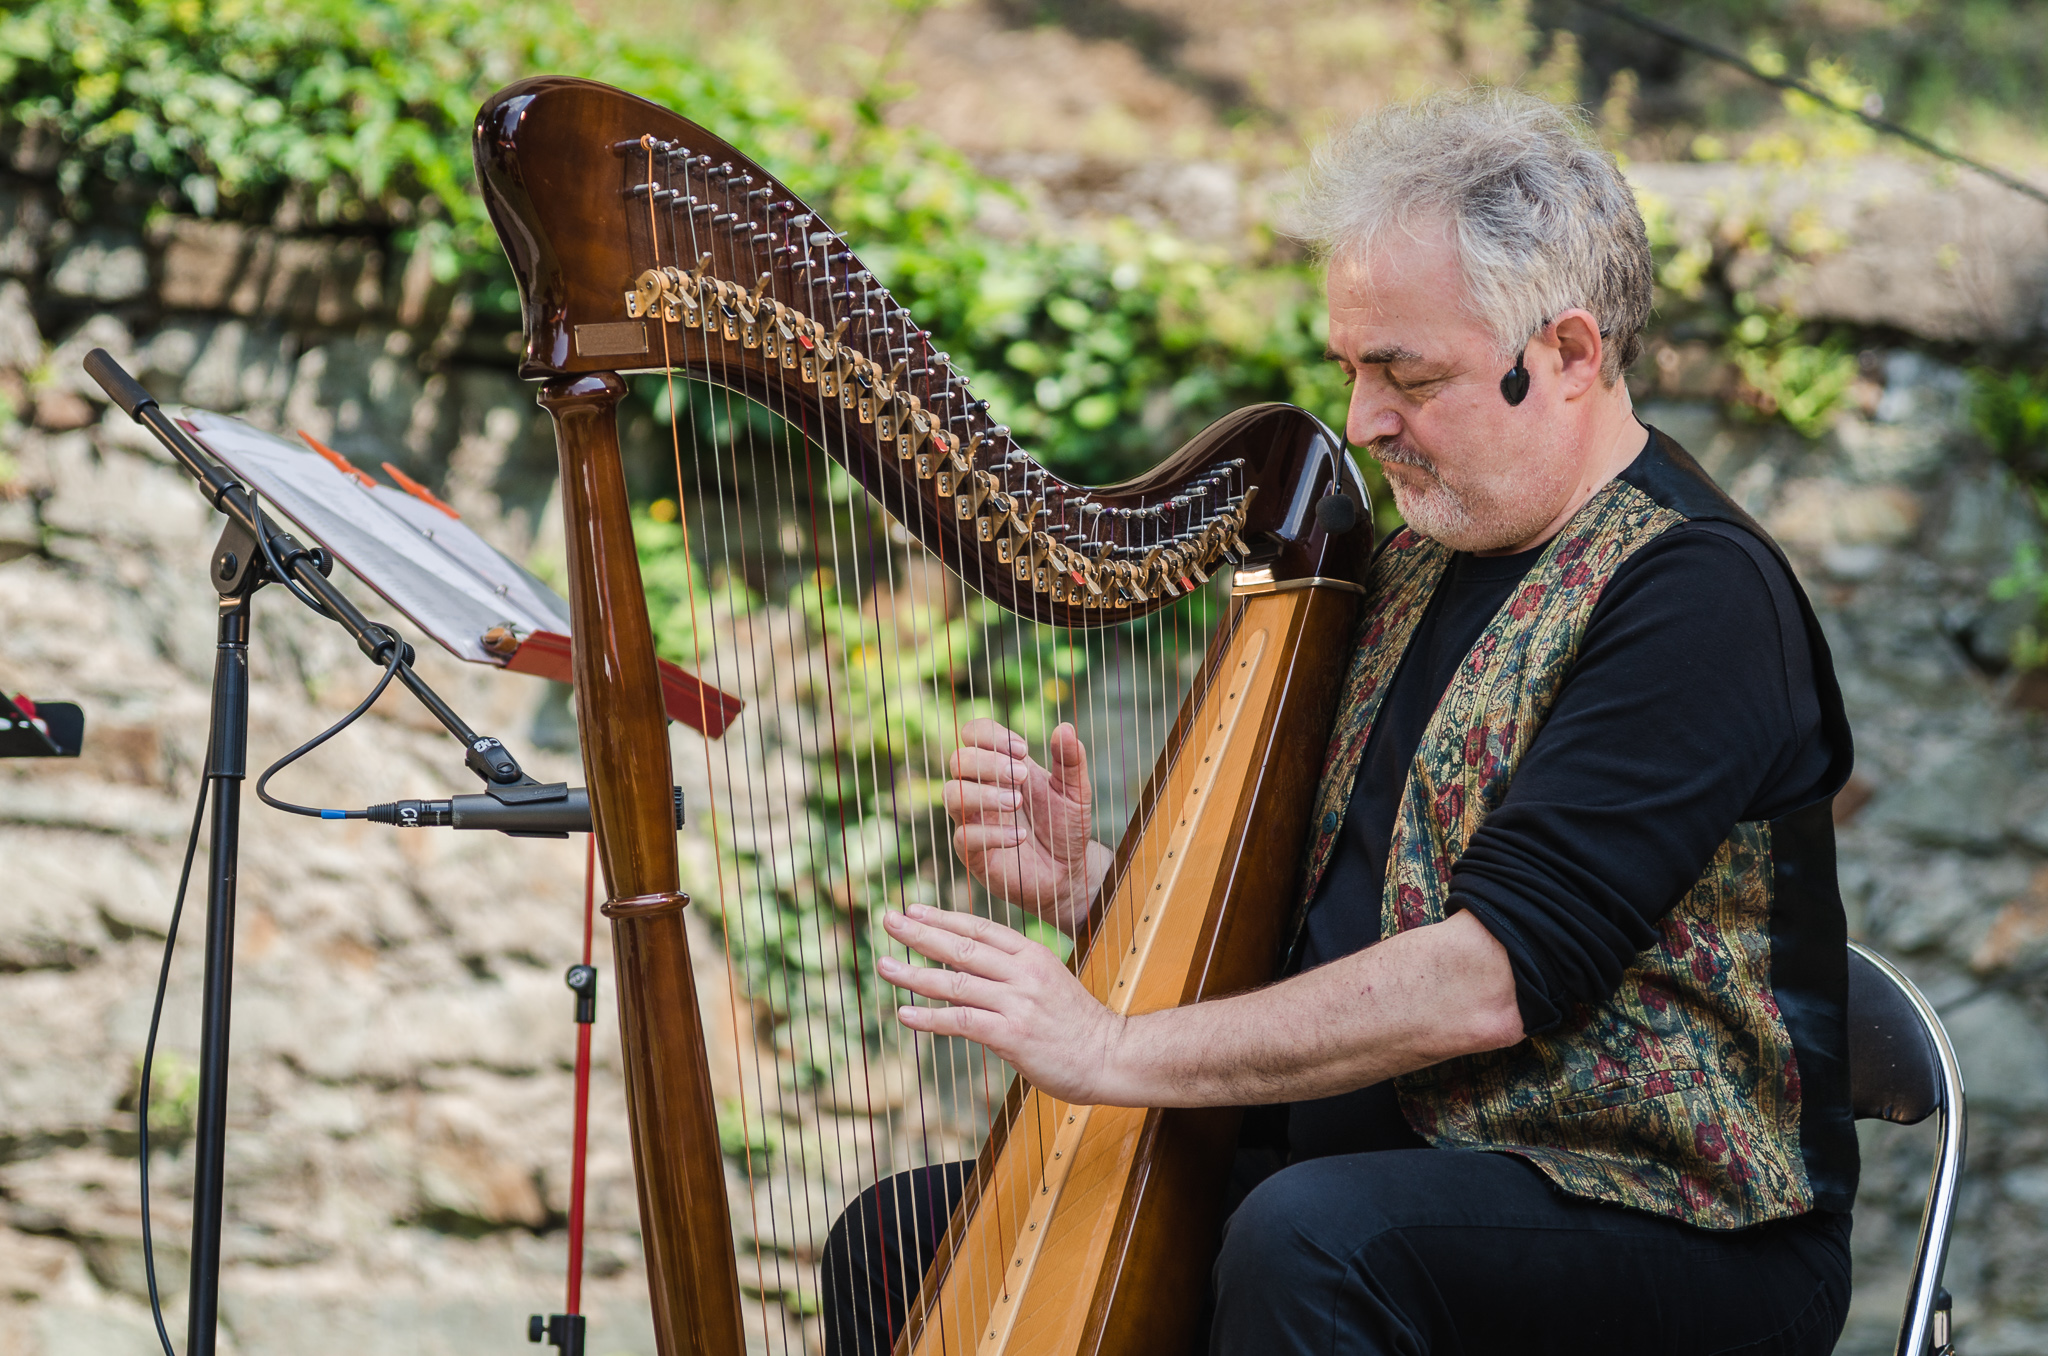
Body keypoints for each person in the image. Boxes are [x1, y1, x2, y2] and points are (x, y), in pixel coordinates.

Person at [822, 86, 1856, 1355]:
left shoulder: (1692, 594)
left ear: (1571, 355)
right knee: (903, 1241)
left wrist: (1111, 1046)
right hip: (1384, 1179)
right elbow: (1341, 925)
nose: (1366, 420)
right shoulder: (1416, 561)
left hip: (1665, 1221)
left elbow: (1485, 977)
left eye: (1407, 375)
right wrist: (1093, 885)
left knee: (1310, 1235)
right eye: (1354, 369)